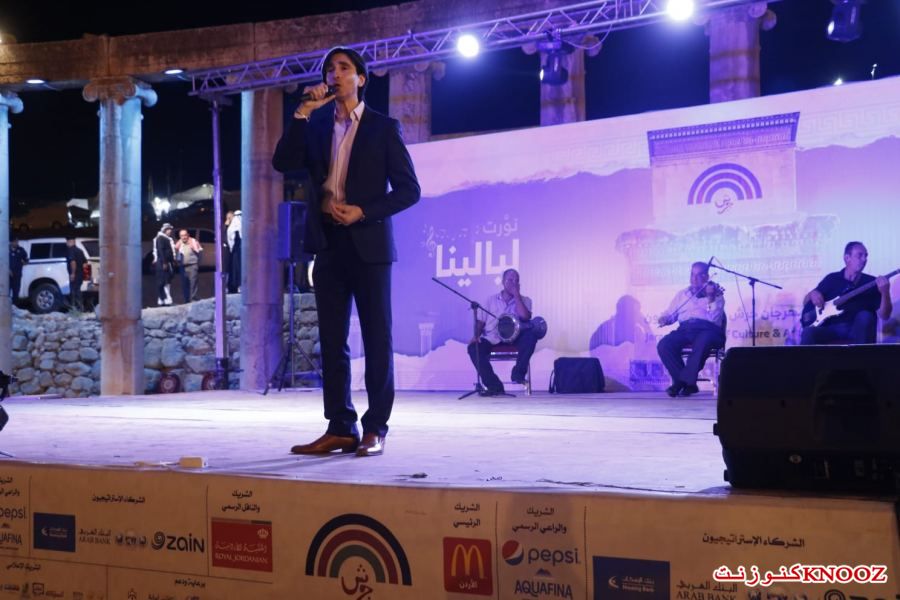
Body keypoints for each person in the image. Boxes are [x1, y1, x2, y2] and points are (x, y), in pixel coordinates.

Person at [273, 46, 420, 457]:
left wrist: (364, 211)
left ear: (361, 78)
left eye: (343, 68)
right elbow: (283, 161)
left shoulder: (383, 128)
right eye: (329, 69)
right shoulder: (316, 124)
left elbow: (409, 190)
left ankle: (375, 428)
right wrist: (302, 113)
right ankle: (340, 426)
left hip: (370, 244)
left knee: (377, 339)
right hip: (329, 244)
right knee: (332, 339)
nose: (334, 75)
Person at [800, 241, 892, 345]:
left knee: (865, 316)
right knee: (808, 332)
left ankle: (863, 355)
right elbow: (805, 301)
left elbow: (885, 315)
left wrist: (885, 292)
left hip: (856, 330)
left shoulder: (872, 282)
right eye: (859, 255)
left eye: (866, 256)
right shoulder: (832, 278)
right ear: (847, 258)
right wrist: (812, 294)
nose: (864, 259)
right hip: (830, 329)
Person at [656, 261, 726, 397]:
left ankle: (680, 383)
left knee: (703, 339)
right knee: (664, 344)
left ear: (706, 276)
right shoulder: (682, 294)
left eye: (699, 275)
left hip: (709, 330)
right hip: (685, 329)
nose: (694, 279)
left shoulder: (716, 294)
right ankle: (688, 384)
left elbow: (715, 320)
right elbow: (671, 314)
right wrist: (664, 318)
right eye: (692, 274)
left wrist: (711, 297)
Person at [467, 269, 539, 396]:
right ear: (503, 282)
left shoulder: (525, 300)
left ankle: (518, 373)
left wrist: (516, 296)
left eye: (516, 281)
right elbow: (481, 322)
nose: (513, 283)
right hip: (493, 338)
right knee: (474, 348)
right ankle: (494, 386)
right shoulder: (490, 300)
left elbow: (525, 316)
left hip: (516, 337)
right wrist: (476, 336)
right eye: (510, 280)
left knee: (531, 336)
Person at [175, 229, 203, 303]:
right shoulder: (179, 243)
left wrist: (198, 263)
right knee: (184, 284)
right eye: (181, 236)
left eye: (185, 235)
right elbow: (175, 250)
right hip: (182, 267)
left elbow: (200, 251)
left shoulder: (193, 241)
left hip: (192, 265)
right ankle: (186, 300)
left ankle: (193, 298)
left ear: (188, 235)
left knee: (193, 283)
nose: (183, 237)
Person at [152, 223, 176, 306]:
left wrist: (172, 261)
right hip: (162, 262)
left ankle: (163, 299)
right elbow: (161, 250)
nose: (170, 231)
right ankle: (165, 298)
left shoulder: (167, 239)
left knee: (166, 280)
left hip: (166, 262)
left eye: (170, 229)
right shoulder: (161, 238)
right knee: (163, 281)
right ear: (165, 230)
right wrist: (164, 262)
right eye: (168, 229)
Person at [65, 236, 87, 312]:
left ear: (71, 242)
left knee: (74, 292)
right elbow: (85, 263)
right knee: (78, 291)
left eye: (67, 242)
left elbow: (73, 262)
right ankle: (80, 308)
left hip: (75, 274)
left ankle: (75, 309)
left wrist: (73, 274)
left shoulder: (71, 251)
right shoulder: (80, 250)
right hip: (80, 274)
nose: (66, 243)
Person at [225, 210, 242, 294]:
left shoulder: (235, 225)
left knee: (236, 268)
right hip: (235, 250)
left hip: (236, 250)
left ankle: (236, 286)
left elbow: (231, 237)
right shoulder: (235, 224)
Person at [9, 237, 28, 302]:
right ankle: (5, 305)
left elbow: (26, 259)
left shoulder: (21, 250)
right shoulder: (5, 249)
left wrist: (25, 262)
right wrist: (8, 270)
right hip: (7, 275)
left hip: (17, 274)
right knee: (6, 290)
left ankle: (14, 304)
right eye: (15, 242)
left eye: (17, 241)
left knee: (16, 290)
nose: (17, 243)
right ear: (11, 242)